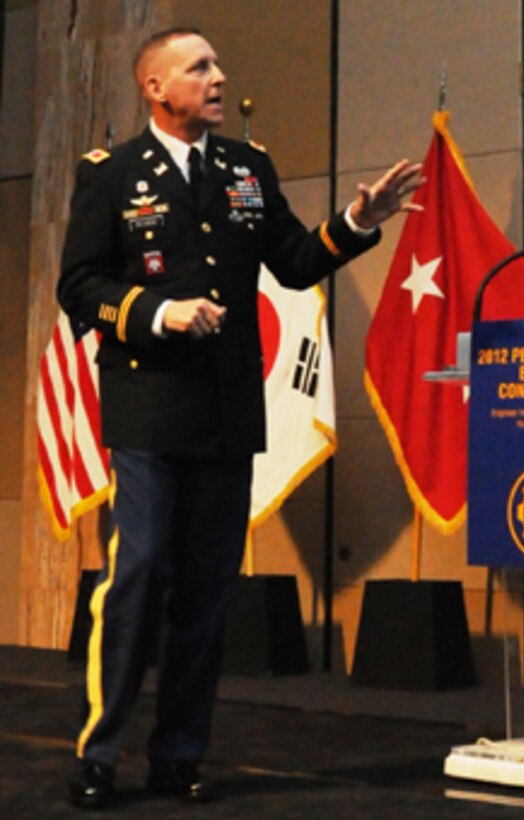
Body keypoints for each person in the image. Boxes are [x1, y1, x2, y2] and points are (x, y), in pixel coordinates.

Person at [59, 27, 422, 809]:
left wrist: (355, 223)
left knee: (206, 591)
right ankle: (99, 751)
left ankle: (178, 754)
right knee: (140, 569)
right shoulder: (113, 174)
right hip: (149, 406)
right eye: (199, 67)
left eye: (218, 63)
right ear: (156, 88)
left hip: (226, 412)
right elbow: (81, 285)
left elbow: (291, 260)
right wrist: (157, 312)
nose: (218, 76)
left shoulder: (247, 168)